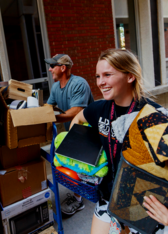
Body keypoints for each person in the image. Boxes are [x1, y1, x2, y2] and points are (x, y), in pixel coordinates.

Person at [70, 49, 168, 234]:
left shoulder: (153, 115)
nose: (100, 82)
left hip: (143, 206)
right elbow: (77, 119)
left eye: (107, 75)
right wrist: (86, 150)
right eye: (97, 76)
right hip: (108, 199)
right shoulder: (98, 108)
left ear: (130, 77)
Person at [44, 54, 94, 216]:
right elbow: (48, 106)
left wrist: (51, 117)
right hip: (72, 131)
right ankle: (81, 193)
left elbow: (76, 111)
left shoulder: (79, 84)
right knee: (73, 165)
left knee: (80, 166)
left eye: (53, 65)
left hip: (88, 130)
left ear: (63, 68)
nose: (50, 69)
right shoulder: (56, 87)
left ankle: (79, 201)